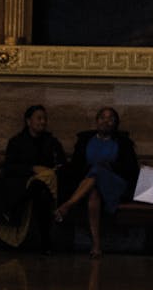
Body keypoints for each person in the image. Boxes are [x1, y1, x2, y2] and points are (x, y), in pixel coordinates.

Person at [54, 106, 139, 258]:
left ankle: (67, 205)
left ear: (115, 123)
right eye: (102, 118)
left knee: (99, 170)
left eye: (110, 118)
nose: (106, 121)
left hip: (115, 184)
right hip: (89, 184)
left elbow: (131, 169)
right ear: (97, 121)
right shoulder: (85, 141)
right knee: (94, 192)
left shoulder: (123, 143)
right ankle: (96, 245)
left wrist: (110, 167)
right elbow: (76, 166)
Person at [0, 105, 66, 251]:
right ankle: (46, 242)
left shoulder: (52, 142)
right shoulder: (17, 142)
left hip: (47, 185)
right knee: (39, 192)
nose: (43, 122)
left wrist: (48, 172)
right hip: (21, 183)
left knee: (42, 188)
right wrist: (32, 169)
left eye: (44, 118)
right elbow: (10, 167)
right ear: (28, 121)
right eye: (39, 118)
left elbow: (61, 164)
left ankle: (14, 208)